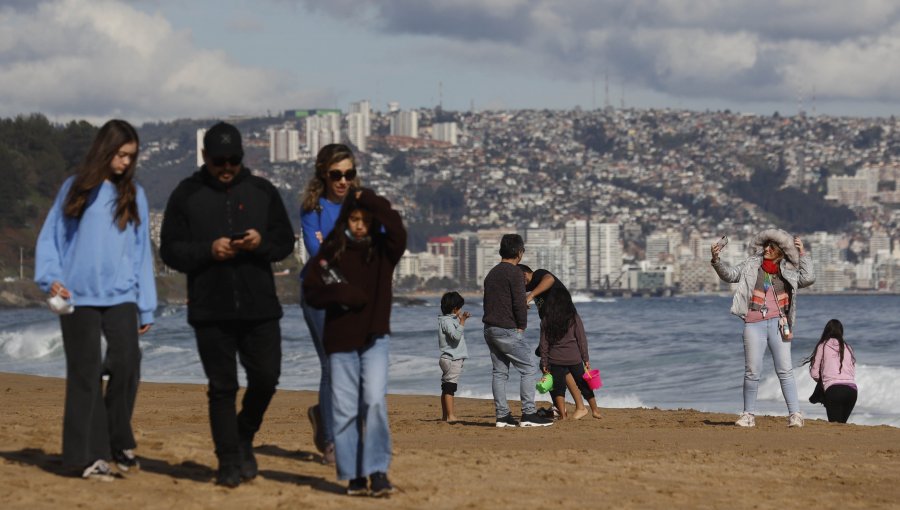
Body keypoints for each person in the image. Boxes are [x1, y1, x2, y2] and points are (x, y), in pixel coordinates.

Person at [159, 122, 295, 488]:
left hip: (260, 308)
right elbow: (169, 249)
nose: (226, 167)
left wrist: (260, 242)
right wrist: (209, 250)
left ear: (241, 157)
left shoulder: (262, 191)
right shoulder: (185, 194)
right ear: (205, 157)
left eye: (233, 160)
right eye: (219, 160)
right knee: (222, 387)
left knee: (267, 379)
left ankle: (243, 433)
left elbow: (285, 243)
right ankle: (228, 462)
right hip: (210, 308)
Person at [34, 119, 157, 480]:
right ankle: (81, 457)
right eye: (120, 155)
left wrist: (146, 304)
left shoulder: (133, 194)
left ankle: (115, 438)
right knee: (85, 375)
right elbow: (51, 238)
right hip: (77, 296)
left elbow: (140, 254)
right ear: (105, 151)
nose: (124, 163)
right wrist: (50, 280)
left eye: (130, 157)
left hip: (121, 296)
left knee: (127, 363)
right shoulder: (75, 189)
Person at [302, 188, 407, 497]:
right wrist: (340, 294)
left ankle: (378, 472)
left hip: (375, 338)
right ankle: (354, 476)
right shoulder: (331, 251)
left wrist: (367, 198)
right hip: (340, 341)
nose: (359, 225)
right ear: (346, 219)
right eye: (354, 218)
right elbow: (310, 291)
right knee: (346, 410)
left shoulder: (384, 251)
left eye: (365, 219)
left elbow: (397, 227)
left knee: (374, 402)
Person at [711, 229, 815, 428]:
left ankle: (795, 415)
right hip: (753, 323)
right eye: (766, 245)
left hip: (779, 324)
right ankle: (748, 415)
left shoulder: (788, 270)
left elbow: (808, 278)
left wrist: (802, 254)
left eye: (772, 247)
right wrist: (716, 260)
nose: (767, 249)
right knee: (752, 372)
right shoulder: (752, 264)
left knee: (785, 371)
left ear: (780, 251)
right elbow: (730, 275)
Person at [299, 143, 362, 464]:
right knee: (332, 365)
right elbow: (317, 253)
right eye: (336, 174)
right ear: (324, 174)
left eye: (348, 174)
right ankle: (331, 442)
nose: (342, 180)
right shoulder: (314, 208)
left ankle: (324, 416)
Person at [482, 234, 553, 428]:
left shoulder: (492, 273)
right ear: (519, 253)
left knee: (499, 372)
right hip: (507, 329)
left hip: (489, 328)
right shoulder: (514, 273)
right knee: (529, 368)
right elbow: (519, 303)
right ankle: (529, 413)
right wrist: (521, 325)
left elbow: (492, 301)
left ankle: (502, 416)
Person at [518, 264, 581, 419]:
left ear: (526, 273)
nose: (521, 284)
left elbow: (549, 279)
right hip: (553, 326)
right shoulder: (530, 286)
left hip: (562, 321)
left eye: (520, 279)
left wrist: (530, 297)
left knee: (550, 364)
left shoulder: (539, 274)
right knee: (558, 366)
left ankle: (570, 407)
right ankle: (571, 406)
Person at [538, 287, 602, 420]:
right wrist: (586, 358)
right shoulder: (573, 317)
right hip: (574, 359)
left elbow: (543, 343)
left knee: (558, 388)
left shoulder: (546, 319)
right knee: (583, 385)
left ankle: (563, 415)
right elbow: (581, 339)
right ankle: (595, 410)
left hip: (554, 359)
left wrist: (544, 361)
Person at [805, 319, 857, 423]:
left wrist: (823, 381)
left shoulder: (823, 346)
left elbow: (814, 373)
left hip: (834, 391)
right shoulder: (848, 347)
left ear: (826, 331)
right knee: (842, 424)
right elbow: (852, 371)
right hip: (852, 391)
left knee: (835, 425)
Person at [437, 291, 471, 422]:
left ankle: (445, 416)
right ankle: (450, 416)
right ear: (454, 308)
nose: (460, 311)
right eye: (459, 308)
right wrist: (462, 321)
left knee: (446, 388)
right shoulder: (447, 322)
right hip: (452, 359)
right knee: (450, 388)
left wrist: (460, 319)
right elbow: (455, 336)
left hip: (449, 358)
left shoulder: (447, 320)